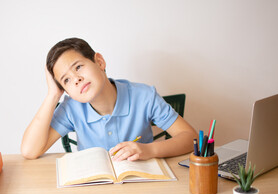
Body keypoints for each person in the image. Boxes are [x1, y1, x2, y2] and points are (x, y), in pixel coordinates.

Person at [21, 37, 198, 160]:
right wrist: (53, 95)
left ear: (99, 62)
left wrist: (148, 150)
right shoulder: (71, 108)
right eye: (66, 80)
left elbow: (191, 138)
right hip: (94, 189)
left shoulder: (144, 96)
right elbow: (29, 151)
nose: (76, 79)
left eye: (79, 67)